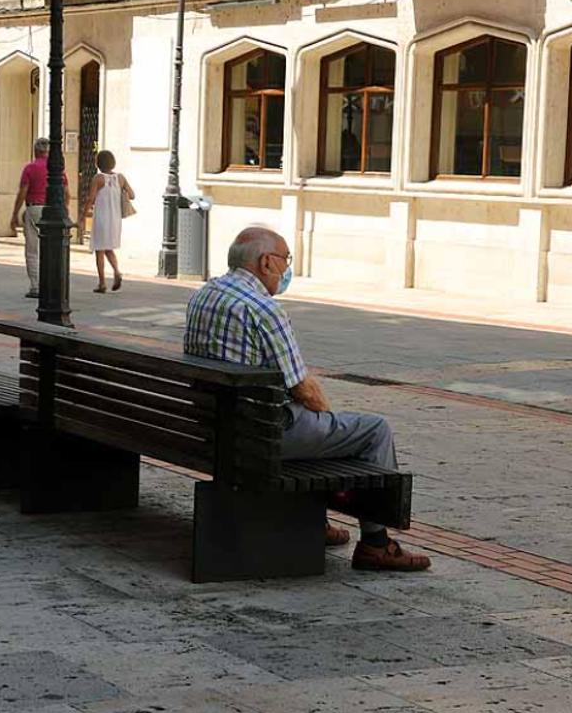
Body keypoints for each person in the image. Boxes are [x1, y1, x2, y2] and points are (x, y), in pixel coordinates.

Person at [184, 226, 431, 572]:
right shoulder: (264, 309)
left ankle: (314, 520)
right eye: (285, 260)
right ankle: (375, 543)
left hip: (209, 428)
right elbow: (304, 388)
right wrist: (328, 421)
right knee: (373, 430)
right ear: (267, 262)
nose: (287, 269)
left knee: (304, 419)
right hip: (259, 439)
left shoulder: (205, 295)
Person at [10, 138, 69, 299]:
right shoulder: (57, 169)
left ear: (35, 151)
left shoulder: (30, 168)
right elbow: (66, 192)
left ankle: (36, 286)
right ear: (49, 152)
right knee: (52, 249)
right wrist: (65, 210)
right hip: (53, 209)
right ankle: (53, 284)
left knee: (32, 249)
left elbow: (23, 192)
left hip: (34, 208)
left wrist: (15, 214)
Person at [80, 150, 132, 294]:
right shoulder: (120, 178)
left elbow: (91, 198)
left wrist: (83, 216)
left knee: (100, 250)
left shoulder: (98, 178)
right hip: (115, 219)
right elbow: (132, 195)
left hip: (102, 217)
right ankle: (116, 271)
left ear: (98, 163)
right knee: (109, 248)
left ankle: (102, 282)